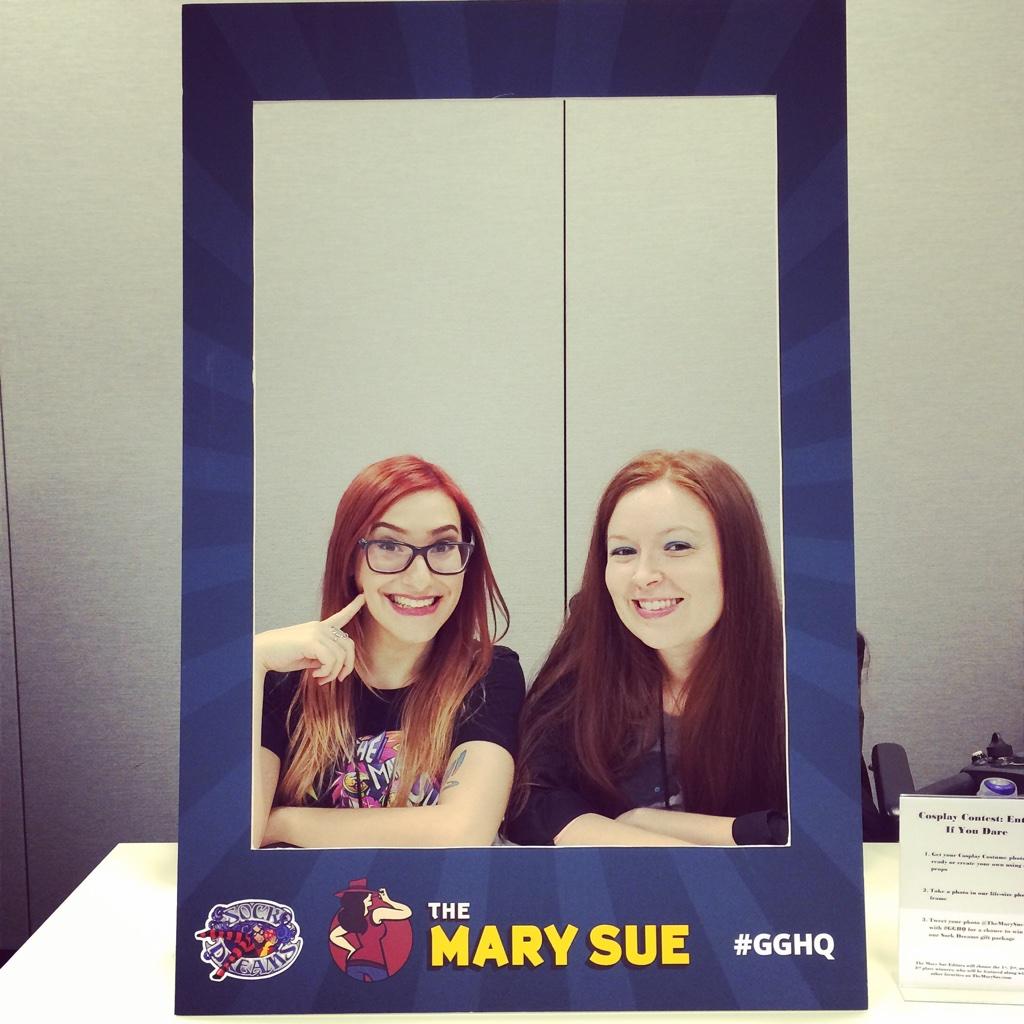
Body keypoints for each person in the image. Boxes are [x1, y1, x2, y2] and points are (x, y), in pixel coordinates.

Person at [507, 450, 787, 847]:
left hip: (758, 887)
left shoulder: (802, 665)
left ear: (737, 557)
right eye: (623, 551)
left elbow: (847, 827)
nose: (643, 576)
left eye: (677, 546)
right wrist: (643, 845)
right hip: (627, 887)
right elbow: (530, 800)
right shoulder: (591, 641)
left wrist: (653, 823)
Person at [253, 455, 524, 848]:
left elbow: (463, 832)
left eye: (443, 545)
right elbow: (233, 837)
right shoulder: (284, 679)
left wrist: (281, 824)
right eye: (388, 545)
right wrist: (254, 660)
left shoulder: (487, 674)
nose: (420, 578)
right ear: (350, 560)